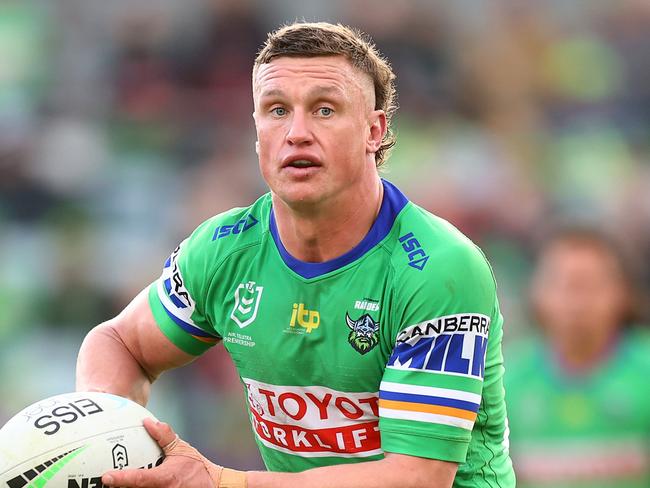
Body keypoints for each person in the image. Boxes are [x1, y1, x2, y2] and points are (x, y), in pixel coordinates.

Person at [76, 21, 515, 488]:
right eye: (277, 110)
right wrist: (101, 433)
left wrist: (221, 483)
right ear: (257, 132)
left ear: (374, 130)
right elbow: (120, 344)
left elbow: (418, 479)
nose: (297, 132)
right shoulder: (224, 251)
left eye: (324, 110)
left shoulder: (437, 269)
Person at [505, 227, 650, 487]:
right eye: (564, 284)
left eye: (591, 285)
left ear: (624, 293)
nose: (577, 301)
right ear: (536, 292)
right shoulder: (505, 383)